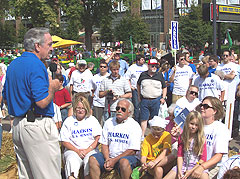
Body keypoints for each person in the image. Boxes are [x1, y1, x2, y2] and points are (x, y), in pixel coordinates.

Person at [2, 27, 61, 178]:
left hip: (18, 125)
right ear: (37, 46)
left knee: (26, 175)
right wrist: (53, 87)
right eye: (49, 44)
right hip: (36, 126)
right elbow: (42, 102)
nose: (51, 48)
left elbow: (6, 98)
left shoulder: (13, 65)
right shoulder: (36, 64)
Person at [89, 99, 142, 179]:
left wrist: (114, 161)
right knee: (93, 159)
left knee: (124, 162)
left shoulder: (134, 126)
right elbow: (104, 144)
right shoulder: (109, 122)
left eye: (123, 109)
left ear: (129, 113)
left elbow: (132, 150)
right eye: (118, 108)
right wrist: (107, 160)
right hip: (110, 156)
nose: (119, 111)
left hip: (127, 157)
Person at [59, 95, 102, 179]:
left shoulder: (92, 120)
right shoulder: (69, 121)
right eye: (78, 108)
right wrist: (77, 151)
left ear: (86, 109)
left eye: (83, 108)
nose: (80, 110)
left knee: (89, 161)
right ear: (75, 109)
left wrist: (87, 150)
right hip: (73, 150)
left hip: (90, 150)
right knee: (71, 161)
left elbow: (98, 138)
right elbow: (64, 141)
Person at [191, 96, 230, 179]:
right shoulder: (197, 125)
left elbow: (218, 156)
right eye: (201, 105)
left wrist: (202, 167)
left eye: (206, 106)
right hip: (197, 163)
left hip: (213, 166)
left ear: (214, 111)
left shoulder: (220, 128)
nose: (202, 107)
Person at [165, 111, 208, 179]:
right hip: (183, 165)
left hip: (196, 166)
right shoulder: (182, 137)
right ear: (187, 123)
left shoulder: (201, 139)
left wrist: (191, 171)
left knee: (205, 176)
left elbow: (203, 159)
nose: (193, 127)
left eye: (196, 125)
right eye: (191, 124)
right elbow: (180, 155)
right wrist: (179, 171)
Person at [137, 59, 167, 138]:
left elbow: (164, 87)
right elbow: (138, 85)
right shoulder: (143, 75)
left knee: (155, 119)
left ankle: (153, 135)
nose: (154, 67)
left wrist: (163, 97)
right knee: (144, 119)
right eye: (152, 66)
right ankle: (142, 136)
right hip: (145, 100)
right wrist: (139, 96)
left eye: (156, 66)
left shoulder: (159, 75)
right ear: (148, 66)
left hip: (156, 100)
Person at [124, 54, 148, 123]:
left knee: (144, 105)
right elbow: (127, 78)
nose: (143, 61)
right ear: (138, 61)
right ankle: (137, 120)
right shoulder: (132, 68)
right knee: (137, 106)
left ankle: (143, 119)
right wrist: (130, 87)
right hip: (135, 89)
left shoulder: (145, 67)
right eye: (142, 59)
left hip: (144, 89)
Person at [91, 60, 109, 125]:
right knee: (97, 122)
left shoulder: (109, 77)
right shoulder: (94, 77)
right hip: (97, 102)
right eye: (101, 67)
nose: (102, 68)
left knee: (106, 122)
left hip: (107, 102)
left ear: (107, 68)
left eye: (104, 67)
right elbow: (92, 90)